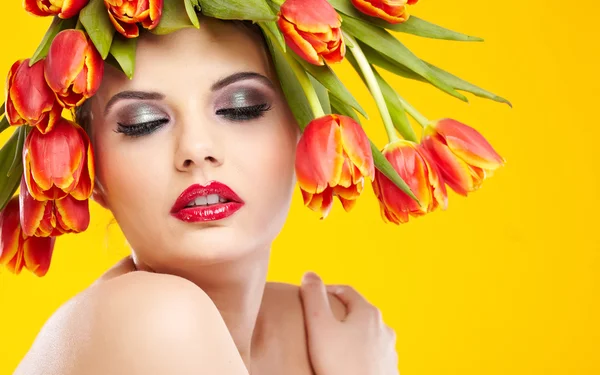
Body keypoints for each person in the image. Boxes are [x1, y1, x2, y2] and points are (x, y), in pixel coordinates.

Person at [0, 1, 506, 374]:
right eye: (143, 122)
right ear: (94, 174)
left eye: (241, 107)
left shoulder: (308, 328)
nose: (196, 149)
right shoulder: (152, 317)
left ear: (300, 130)